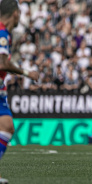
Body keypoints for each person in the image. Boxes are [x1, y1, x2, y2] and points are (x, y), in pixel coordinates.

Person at [0, 0, 39, 183]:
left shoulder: (4, 32)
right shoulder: (2, 32)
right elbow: (2, 63)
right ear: (15, 13)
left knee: (7, 126)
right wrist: (26, 72)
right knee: (6, 126)